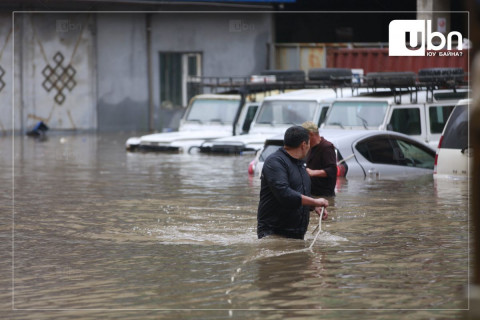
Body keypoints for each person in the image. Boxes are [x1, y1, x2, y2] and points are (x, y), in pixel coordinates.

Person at [257, 126, 329, 240]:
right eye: (309, 144)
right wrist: (314, 201)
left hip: (296, 234)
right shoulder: (275, 162)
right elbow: (284, 193)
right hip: (274, 233)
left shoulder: (300, 163)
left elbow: (298, 191)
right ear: (303, 145)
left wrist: (313, 206)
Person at [301, 121, 337, 197]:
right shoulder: (310, 147)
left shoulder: (327, 147)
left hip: (324, 196)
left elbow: (332, 170)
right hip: (311, 194)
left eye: (303, 137)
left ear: (310, 134)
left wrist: (313, 172)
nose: (303, 140)